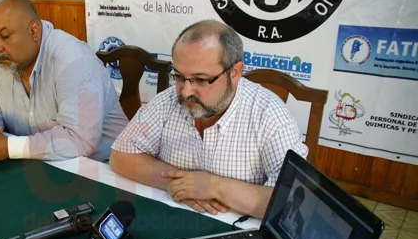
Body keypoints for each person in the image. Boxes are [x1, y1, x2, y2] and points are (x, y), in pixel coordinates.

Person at [110, 20, 308, 219]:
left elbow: (292, 201)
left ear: (235, 73)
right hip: (172, 217)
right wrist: (182, 185)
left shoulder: (269, 115)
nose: (186, 91)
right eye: (179, 76)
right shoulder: (169, 100)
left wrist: (216, 187)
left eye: (201, 80)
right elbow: (121, 156)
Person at [0, 0, 127, 164]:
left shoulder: (73, 61)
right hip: (37, 164)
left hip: (101, 170)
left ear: (34, 30)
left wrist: (9, 147)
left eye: (5, 36)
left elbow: (80, 139)